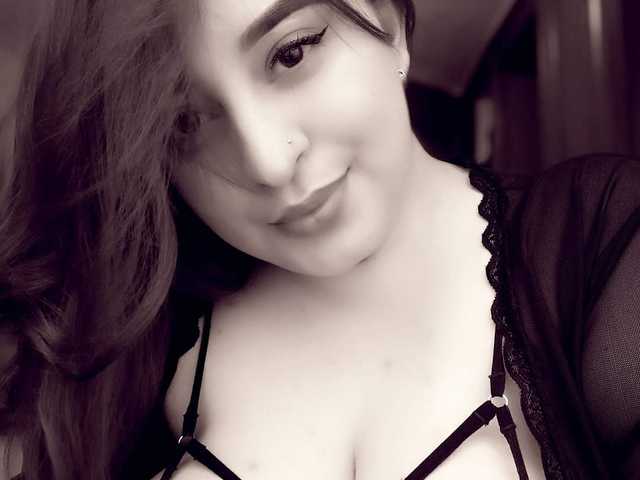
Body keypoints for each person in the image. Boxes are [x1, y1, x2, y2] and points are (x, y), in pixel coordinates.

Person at [1, 0, 639, 479]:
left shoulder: (602, 243)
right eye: (185, 122)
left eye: (292, 53)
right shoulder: (128, 335)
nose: (268, 161)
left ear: (387, 21)